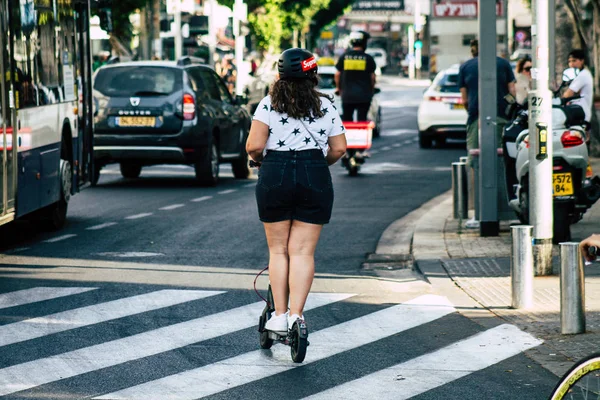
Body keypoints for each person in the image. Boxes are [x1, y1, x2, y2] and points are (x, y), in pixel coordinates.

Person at [246, 48, 347, 333]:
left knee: (278, 251)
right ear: (313, 74)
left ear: (279, 75)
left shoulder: (267, 104)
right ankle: (296, 316)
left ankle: (278, 315)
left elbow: (253, 146)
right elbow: (339, 148)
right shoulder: (326, 105)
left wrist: (261, 161)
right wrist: (317, 163)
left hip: (274, 172)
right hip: (314, 173)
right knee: (302, 252)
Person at [458, 39, 517, 156]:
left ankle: (475, 174)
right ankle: (500, 174)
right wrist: (506, 107)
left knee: (474, 154)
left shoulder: (465, 67)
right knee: (501, 153)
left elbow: (464, 100)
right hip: (501, 114)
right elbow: (513, 92)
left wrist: (471, 111)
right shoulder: (503, 64)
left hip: (475, 115)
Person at [334, 30, 377, 121]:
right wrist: (372, 90)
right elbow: (372, 77)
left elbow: (337, 74)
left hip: (347, 96)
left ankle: (348, 135)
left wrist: (338, 88)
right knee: (362, 120)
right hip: (364, 96)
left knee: (347, 120)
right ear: (364, 44)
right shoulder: (368, 58)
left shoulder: (344, 57)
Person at [562, 49, 594, 126]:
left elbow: (568, 94)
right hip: (580, 114)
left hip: (580, 114)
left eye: (574, 61)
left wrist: (560, 100)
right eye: (569, 61)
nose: (571, 64)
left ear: (582, 61)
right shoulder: (584, 73)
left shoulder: (583, 75)